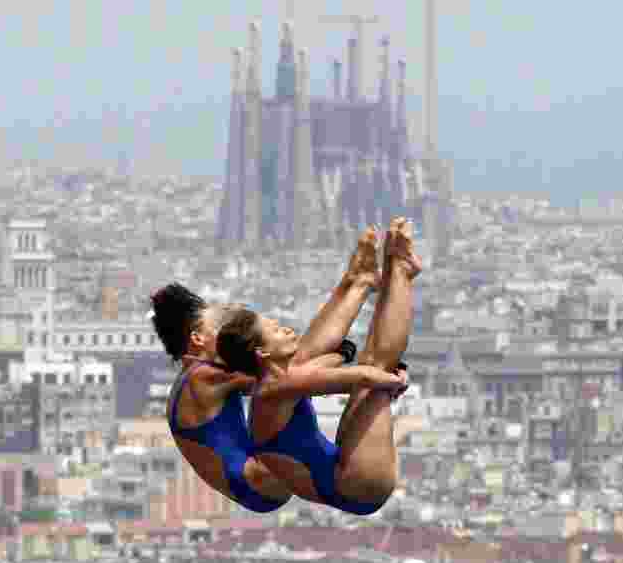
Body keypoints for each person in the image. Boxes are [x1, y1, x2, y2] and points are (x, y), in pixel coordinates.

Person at [216, 217, 422, 515]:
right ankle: (400, 270)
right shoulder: (273, 390)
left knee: (314, 361)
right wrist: (391, 382)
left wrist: (345, 355)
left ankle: (361, 282)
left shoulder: (278, 382)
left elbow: (321, 367)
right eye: (276, 331)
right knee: (378, 366)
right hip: (357, 484)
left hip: (341, 472)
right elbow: (356, 376)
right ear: (261, 352)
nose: (286, 329)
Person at [149, 284, 293, 513]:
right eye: (219, 328)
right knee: (281, 381)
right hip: (256, 476)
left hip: (253, 486)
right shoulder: (202, 376)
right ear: (198, 338)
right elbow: (277, 375)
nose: (229, 334)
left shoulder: (192, 377)